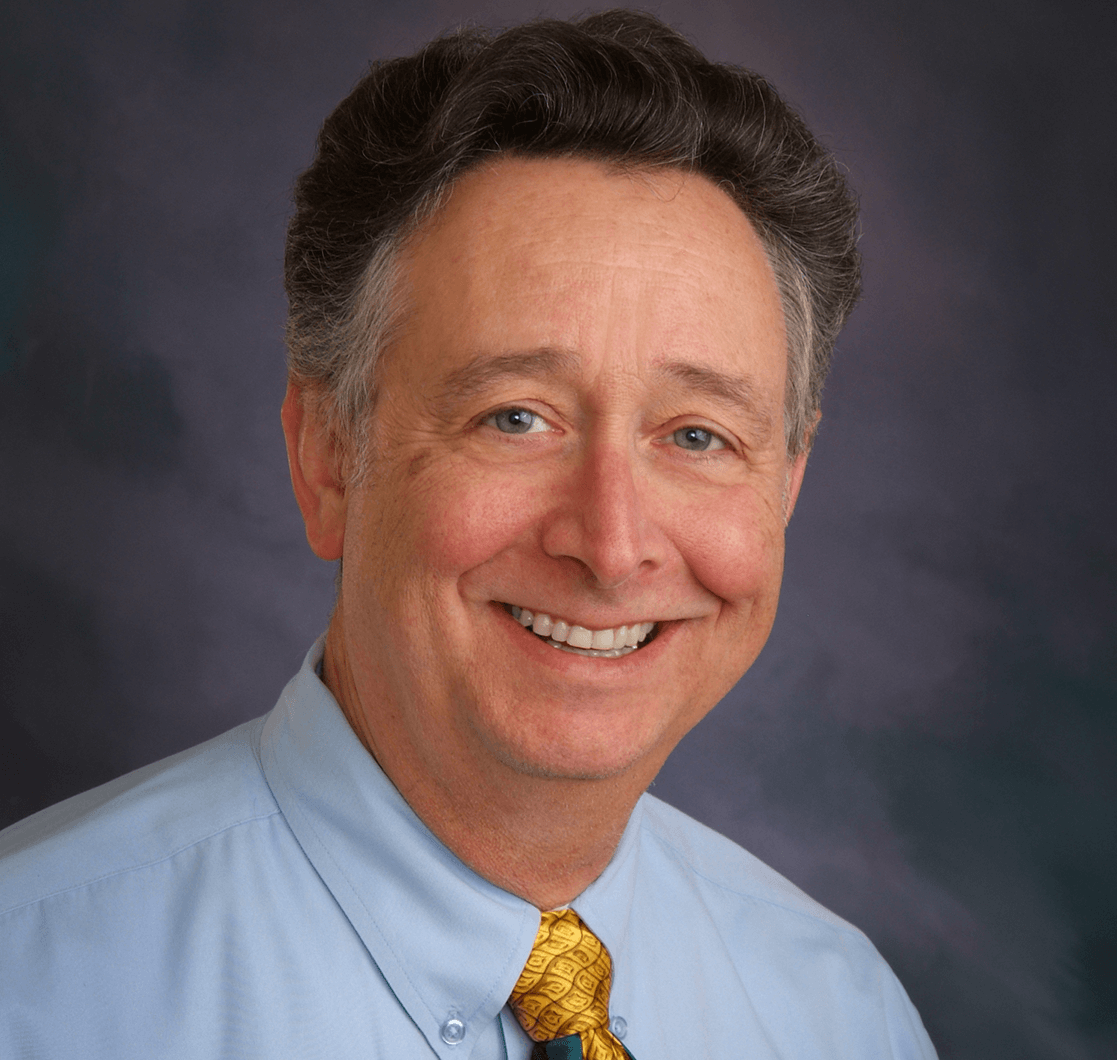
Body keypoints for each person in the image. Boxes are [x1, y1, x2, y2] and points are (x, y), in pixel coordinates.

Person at [0, 11, 937, 1059]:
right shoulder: (34, 985)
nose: (612, 542)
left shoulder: (840, 1011)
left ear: (787, 485)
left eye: (697, 434)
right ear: (327, 457)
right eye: (516, 416)